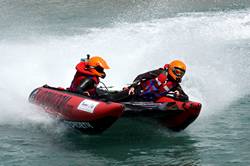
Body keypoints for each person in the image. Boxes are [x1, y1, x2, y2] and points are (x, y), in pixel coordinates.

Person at [108, 60, 189, 102]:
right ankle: (101, 99)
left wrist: (178, 95)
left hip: (148, 101)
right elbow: (140, 76)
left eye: (181, 74)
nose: (179, 75)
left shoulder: (175, 84)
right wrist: (133, 87)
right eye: (177, 72)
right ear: (171, 69)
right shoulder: (160, 73)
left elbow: (186, 97)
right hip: (136, 92)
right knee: (112, 98)